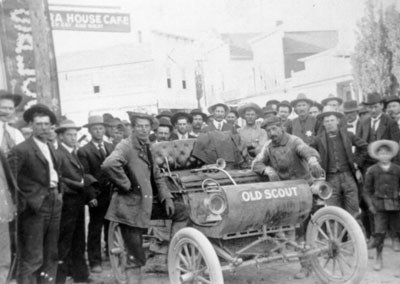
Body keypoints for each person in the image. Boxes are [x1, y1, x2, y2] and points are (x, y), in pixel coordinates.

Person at [102, 112, 188, 284]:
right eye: (139, 126)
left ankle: (172, 253)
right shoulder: (126, 146)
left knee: (182, 211)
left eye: (146, 126)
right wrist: (126, 185)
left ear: (151, 129)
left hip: (146, 204)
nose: (143, 130)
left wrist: (166, 197)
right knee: (136, 256)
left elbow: (157, 175)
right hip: (130, 209)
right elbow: (109, 164)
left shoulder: (147, 145)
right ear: (133, 128)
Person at [252, 116, 323, 279]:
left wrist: (312, 160)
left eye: (274, 129)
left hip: (304, 190)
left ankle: (307, 266)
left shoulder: (294, 141)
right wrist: (267, 170)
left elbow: (306, 150)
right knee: (293, 228)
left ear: (282, 128)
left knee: (304, 230)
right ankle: (291, 254)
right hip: (286, 193)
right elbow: (255, 163)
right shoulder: (268, 146)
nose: (271, 133)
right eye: (268, 131)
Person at [8, 104, 61, 284]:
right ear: (31, 125)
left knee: (51, 253)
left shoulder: (51, 147)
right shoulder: (21, 150)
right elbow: (11, 182)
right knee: (33, 257)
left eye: (47, 124)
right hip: (35, 207)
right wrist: (26, 202)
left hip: (54, 201)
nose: (43, 128)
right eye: (39, 124)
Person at [356, 92, 400, 250]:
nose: (373, 110)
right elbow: (360, 147)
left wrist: (393, 170)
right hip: (368, 167)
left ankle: (395, 237)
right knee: (368, 202)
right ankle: (373, 236)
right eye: (370, 107)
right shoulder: (362, 122)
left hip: (386, 165)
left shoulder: (390, 122)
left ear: (381, 105)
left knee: (391, 201)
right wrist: (358, 168)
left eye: (375, 106)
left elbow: (395, 147)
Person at [311, 106, 367, 217]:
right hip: (330, 178)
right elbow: (309, 152)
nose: (329, 123)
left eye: (332, 120)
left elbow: (364, 147)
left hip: (348, 176)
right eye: (326, 121)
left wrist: (357, 163)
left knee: (354, 210)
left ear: (338, 121)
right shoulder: (318, 139)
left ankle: (354, 234)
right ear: (323, 123)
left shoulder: (348, 135)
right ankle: (338, 234)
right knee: (334, 212)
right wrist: (314, 161)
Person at [55, 120, 91, 283]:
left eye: (75, 134)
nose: (73, 137)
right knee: (66, 240)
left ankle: (80, 275)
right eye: (69, 135)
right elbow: (59, 178)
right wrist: (79, 184)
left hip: (77, 201)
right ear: (61, 136)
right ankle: (61, 277)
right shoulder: (58, 154)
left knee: (78, 239)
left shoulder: (73, 152)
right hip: (68, 201)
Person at [77, 115, 115, 273]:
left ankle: (111, 255)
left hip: (112, 193)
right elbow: (85, 175)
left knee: (111, 225)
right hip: (97, 194)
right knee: (95, 227)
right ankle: (94, 261)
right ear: (90, 131)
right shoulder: (84, 151)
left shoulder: (111, 147)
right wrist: (91, 196)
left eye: (101, 128)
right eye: (95, 129)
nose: (98, 131)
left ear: (104, 129)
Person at [363, 140, 400, 271]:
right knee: (380, 233)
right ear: (377, 155)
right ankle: (379, 258)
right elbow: (366, 190)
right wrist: (370, 206)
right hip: (379, 206)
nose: (384, 155)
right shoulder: (372, 170)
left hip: (396, 206)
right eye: (381, 153)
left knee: (397, 231)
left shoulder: (397, 169)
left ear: (391, 155)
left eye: (386, 153)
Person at [0, 149, 18, 283]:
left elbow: (8, 178)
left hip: (1, 207)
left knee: (3, 248)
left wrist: (13, 203)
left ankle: (2, 277)